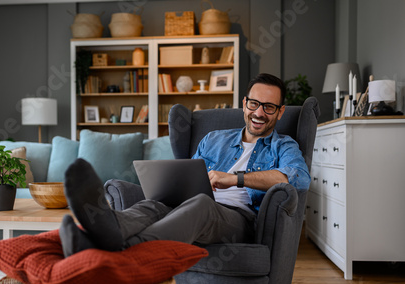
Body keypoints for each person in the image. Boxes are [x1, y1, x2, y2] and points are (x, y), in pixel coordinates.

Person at [59, 73, 311, 257]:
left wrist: (236, 178)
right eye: (254, 104)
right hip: (193, 204)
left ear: (280, 112)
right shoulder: (214, 139)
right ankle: (105, 229)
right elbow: (189, 179)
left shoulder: (284, 146)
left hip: (239, 220)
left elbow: (297, 178)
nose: (259, 113)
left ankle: (125, 251)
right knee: (155, 204)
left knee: (201, 204)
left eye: (269, 107)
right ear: (244, 104)